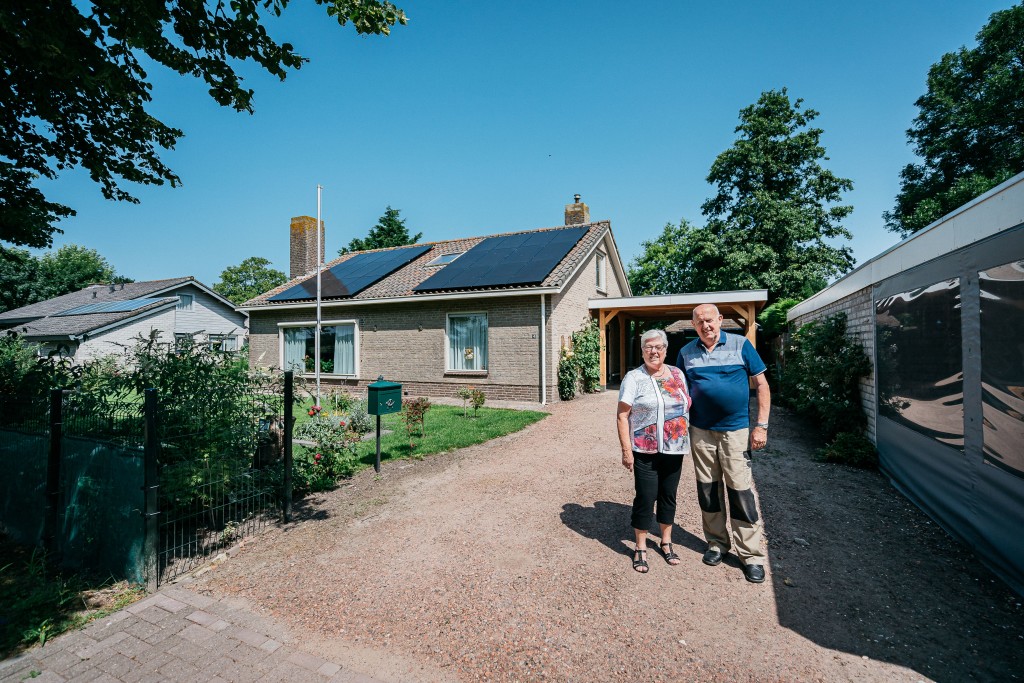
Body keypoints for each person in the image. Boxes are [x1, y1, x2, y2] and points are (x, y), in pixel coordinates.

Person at [677, 303, 771, 583]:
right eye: (699, 322)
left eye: (709, 320)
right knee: (708, 489)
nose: (705, 326)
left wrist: (761, 426)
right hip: (700, 431)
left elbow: (762, 384)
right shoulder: (686, 353)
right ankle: (717, 543)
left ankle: (750, 555)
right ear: (694, 326)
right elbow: (679, 391)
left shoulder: (741, 345)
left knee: (740, 490)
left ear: (720, 320)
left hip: (736, 431)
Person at [616, 328, 691, 573]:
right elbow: (622, 415)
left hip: (674, 447)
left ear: (666, 350)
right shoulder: (633, 378)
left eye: (658, 346)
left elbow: (686, 405)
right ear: (642, 350)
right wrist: (626, 451)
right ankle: (640, 547)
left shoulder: (678, 374)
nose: (654, 351)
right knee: (646, 497)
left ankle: (666, 542)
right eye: (648, 347)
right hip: (644, 450)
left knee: (669, 495)